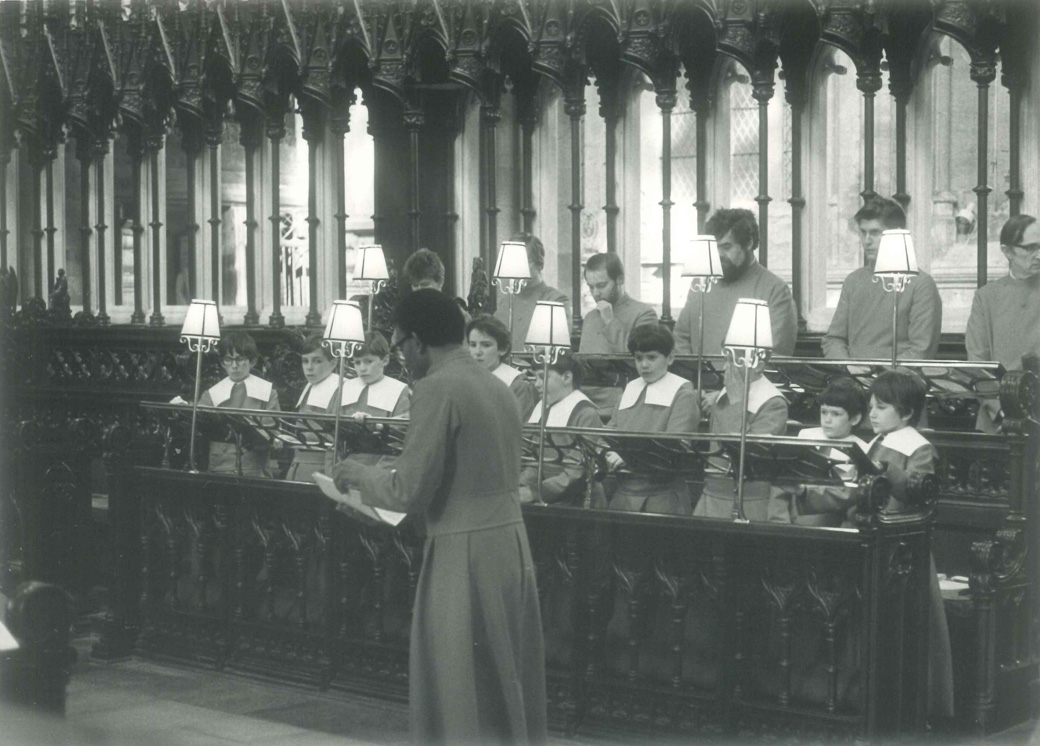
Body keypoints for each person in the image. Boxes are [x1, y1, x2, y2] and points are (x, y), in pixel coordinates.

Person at [330, 289, 547, 745]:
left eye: (399, 346)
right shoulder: (497, 387)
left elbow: (407, 487)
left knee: (456, 685)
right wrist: (390, 514)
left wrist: (357, 475)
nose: (402, 357)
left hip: (462, 553)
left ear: (417, 342)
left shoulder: (436, 388)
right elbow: (462, 482)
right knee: (503, 679)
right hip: (509, 547)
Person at [808, 370, 953, 718]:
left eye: (882, 407)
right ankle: (858, 700)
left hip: (902, 555)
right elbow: (854, 490)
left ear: (905, 413)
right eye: (871, 406)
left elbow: (917, 493)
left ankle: (906, 707)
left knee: (899, 633)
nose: (872, 413)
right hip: (870, 544)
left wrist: (883, 469)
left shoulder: (918, 447)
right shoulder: (876, 441)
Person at [823, 197, 942, 361]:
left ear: (897, 234)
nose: (866, 241)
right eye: (863, 232)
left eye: (875, 233)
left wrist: (875, 376)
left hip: (897, 383)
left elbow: (921, 350)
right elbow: (834, 339)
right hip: (852, 378)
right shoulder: (854, 281)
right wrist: (849, 367)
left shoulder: (921, 284)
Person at [604, 324, 700, 515]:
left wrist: (626, 455)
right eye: (638, 358)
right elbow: (610, 432)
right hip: (623, 495)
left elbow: (675, 447)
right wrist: (607, 451)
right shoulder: (631, 388)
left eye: (652, 357)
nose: (644, 365)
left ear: (670, 357)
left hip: (662, 498)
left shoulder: (683, 394)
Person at [674, 208, 797, 357]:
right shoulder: (701, 283)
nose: (718, 255)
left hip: (749, 380)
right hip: (698, 379)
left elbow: (776, 355)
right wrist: (693, 376)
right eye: (714, 247)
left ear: (749, 243)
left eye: (726, 247)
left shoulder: (775, 290)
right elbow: (681, 338)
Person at [692, 353, 789, 521]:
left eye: (734, 361)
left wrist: (736, 399)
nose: (724, 368)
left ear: (758, 365)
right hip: (711, 496)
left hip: (750, 502)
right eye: (726, 360)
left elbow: (748, 454)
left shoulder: (773, 403)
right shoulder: (728, 390)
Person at [965, 214, 1040, 432]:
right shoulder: (987, 297)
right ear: (1008, 251)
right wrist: (999, 410)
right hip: (997, 419)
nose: (1039, 255)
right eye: (1030, 248)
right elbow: (977, 361)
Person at [578, 252, 658, 418]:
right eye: (590, 286)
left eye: (601, 285)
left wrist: (610, 321)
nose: (595, 293)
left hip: (623, 402)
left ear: (620, 280)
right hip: (584, 402)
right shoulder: (590, 317)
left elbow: (642, 358)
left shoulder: (644, 313)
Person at [520, 353, 604, 506]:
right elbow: (535, 461)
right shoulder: (543, 408)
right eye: (535, 378)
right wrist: (520, 487)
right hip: (546, 494)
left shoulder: (586, 414)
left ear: (567, 378)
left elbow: (575, 473)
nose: (536, 384)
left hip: (577, 500)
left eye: (543, 377)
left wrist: (534, 492)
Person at [786, 377, 870, 526]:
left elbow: (847, 498)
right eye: (824, 412)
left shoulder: (862, 450)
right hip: (793, 511)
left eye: (836, 414)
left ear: (855, 418)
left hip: (831, 518)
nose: (827, 420)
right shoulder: (805, 436)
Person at [198, 331, 281, 476]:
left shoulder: (268, 393)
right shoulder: (210, 395)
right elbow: (200, 431)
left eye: (240, 359)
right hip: (219, 468)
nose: (234, 365)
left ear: (253, 361)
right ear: (222, 362)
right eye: (228, 359)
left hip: (254, 469)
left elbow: (271, 434)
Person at [494, 232, 571, 345]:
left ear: (539, 264)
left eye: (524, 261)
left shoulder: (555, 300)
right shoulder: (505, 303)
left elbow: (554, 349)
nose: (518, 268)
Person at [285, 333, 342, 483]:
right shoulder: (310, 386)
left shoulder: (339, 390)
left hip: (322, 470)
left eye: (317, 361)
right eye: (305, 361)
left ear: (333, 363)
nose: (309, 368)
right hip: (300, 465)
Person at [466, 314, 539, 421]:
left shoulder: (517, 385)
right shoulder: (464, 379)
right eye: (473, 345)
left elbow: (519, 429)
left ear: (502, 349)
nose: (477, 352)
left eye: (486, 345)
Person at [401, 247, 470, 321]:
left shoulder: (459, 316)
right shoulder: (407, 315)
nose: (419, 291)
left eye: (425, 284)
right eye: (415, 285)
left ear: (440, 282)